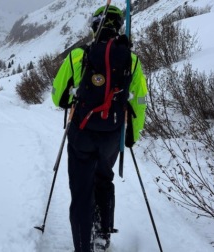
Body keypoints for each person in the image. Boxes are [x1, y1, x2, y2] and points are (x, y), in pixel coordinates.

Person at [52, 5, 148, 252]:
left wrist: (70, 99)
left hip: (81, 134)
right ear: (118, 27)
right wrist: (131, 135)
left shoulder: (78, 56)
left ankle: (84, 247)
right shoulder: (132, 60)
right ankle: (103, 235)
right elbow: (140, 101)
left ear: (95, 26)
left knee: (82, 192)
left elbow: (57, 96)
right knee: (104, 179)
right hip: (111, 135)